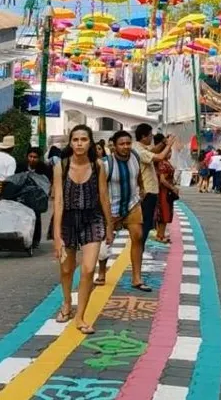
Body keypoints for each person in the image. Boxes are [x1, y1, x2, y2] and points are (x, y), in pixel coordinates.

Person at [53, 124, 113, 334]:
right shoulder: (61, 166)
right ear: (70, 143)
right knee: (67, 268)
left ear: (90, 143)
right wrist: (56, 234)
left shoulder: (98, 166)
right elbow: (58, 201)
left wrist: (109, 225)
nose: (79, 143)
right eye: (75, 140)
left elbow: (104, 197)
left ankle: (80, 317)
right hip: (68, 219)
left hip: (92, 218)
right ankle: (67, 303)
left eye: (84, 140)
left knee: (88, 269)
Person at [96, 130, 149, 291]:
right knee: (105, 245)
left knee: (138, 237)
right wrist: (106, 216)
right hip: (112, 209)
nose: (125, 147)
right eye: (122, 144)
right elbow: (102, 191)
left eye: (128, 143)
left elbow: (138, 175)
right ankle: (102, 272)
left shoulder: (135, 157)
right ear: (114, 146)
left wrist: (142, 189)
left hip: (132, 205)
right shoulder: (106, 164)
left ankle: (136, 278)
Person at [134, 123, 174, 247]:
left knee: (148, 221)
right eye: (150, 135)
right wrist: (168, 145)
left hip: (150, 190)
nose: (152, 138)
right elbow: (160, 156)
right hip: (147, 190)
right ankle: (139, 246)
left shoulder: (141, 147)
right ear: (143, 136)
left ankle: (140, 245)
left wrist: (163, 142)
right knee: (146, 223)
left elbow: (153, 150)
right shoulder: (140, 151)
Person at [16, 146, 51, 248]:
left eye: (35, 157)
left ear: (39, 158)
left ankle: (35, 240)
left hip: (37, 196)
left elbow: (47, 182)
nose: (32, 159)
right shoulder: (21, 166)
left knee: (36, 217)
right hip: (23, 195)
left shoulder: (43, 168)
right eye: (30, 156)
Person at [154, 132, 178, 243]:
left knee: (164, 213)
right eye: (169, 151)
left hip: (165, 191)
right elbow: (162, 180)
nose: (170, 154)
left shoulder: (165, 162)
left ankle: (161, 234)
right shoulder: (162, 163)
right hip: (164, 191)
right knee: (163, 213)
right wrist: (172, 188)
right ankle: (160, 235)